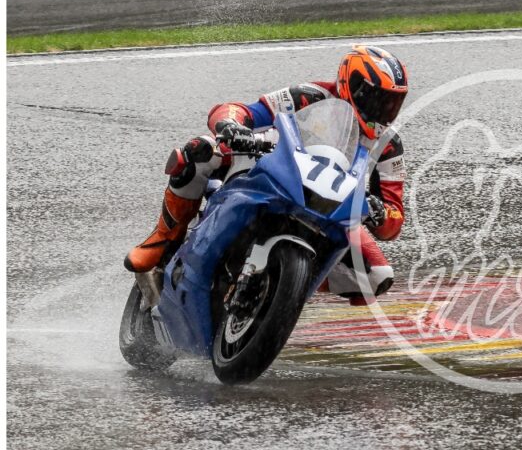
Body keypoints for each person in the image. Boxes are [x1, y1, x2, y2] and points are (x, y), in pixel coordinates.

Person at [124, 44, 408, 306]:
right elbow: (243, 111)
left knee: (377, 275)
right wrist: (231, 125)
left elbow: (395, 217)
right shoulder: (310, 96)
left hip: (332, 207)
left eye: (392, 102)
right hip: (276, 171)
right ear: (352, 85)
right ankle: (163, 241)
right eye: (377, 98)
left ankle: (286, 288)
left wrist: (380, 213)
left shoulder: (389, 145)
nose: (384, 109)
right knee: (200, 150)